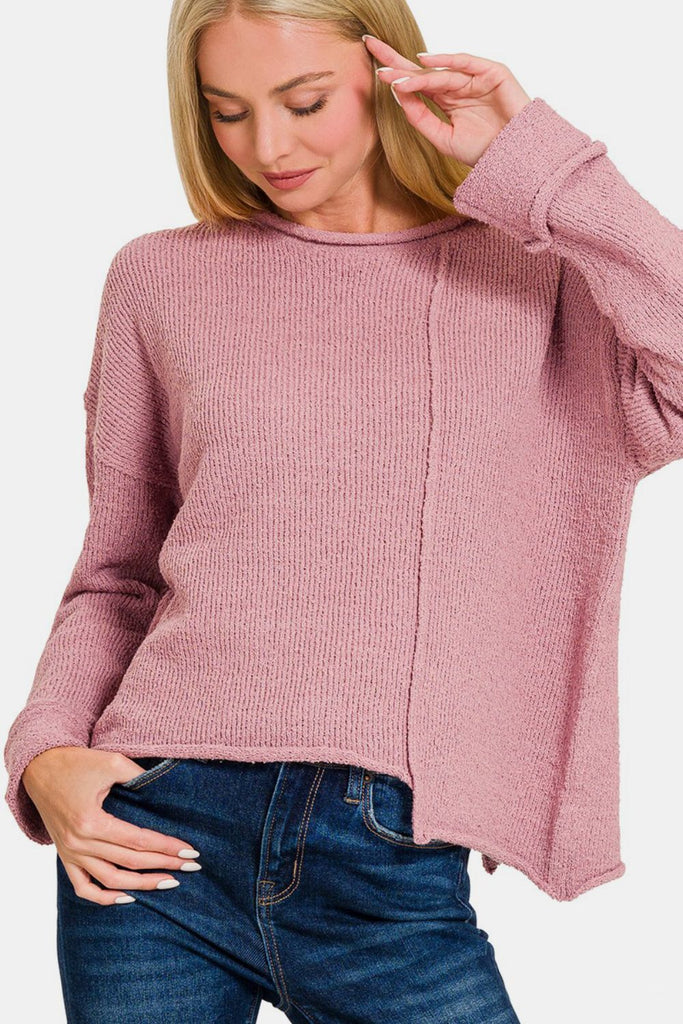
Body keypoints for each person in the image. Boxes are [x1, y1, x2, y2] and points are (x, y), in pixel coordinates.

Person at [4, 0, 682, 1021]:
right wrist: (47, 747)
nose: (266, 147)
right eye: (226, 111)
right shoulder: (161, 277)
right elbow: (120, 571)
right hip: (151, 831)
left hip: (386, 853)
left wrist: (540, 165)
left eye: (304, 100)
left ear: (387, 71)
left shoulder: (539, 278)